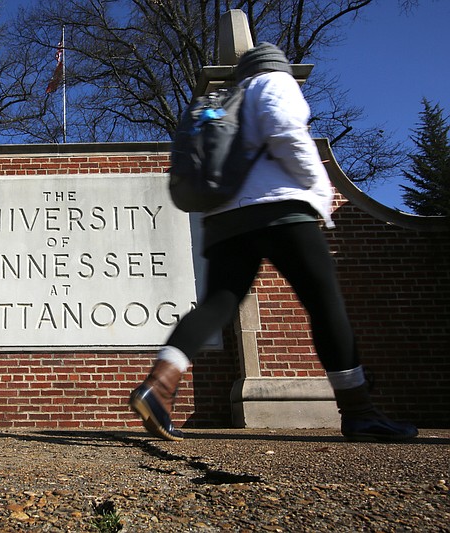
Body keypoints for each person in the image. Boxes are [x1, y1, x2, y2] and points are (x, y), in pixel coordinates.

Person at [129, 42, 418, 443]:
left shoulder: (229, 97)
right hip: (281, 209)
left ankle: (159, 385)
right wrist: (319, 191)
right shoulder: (273, 82)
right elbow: (285, 132)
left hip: (224, 216)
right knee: (324, 302)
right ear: (275, 64)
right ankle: (359, 411)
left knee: (218, 304)